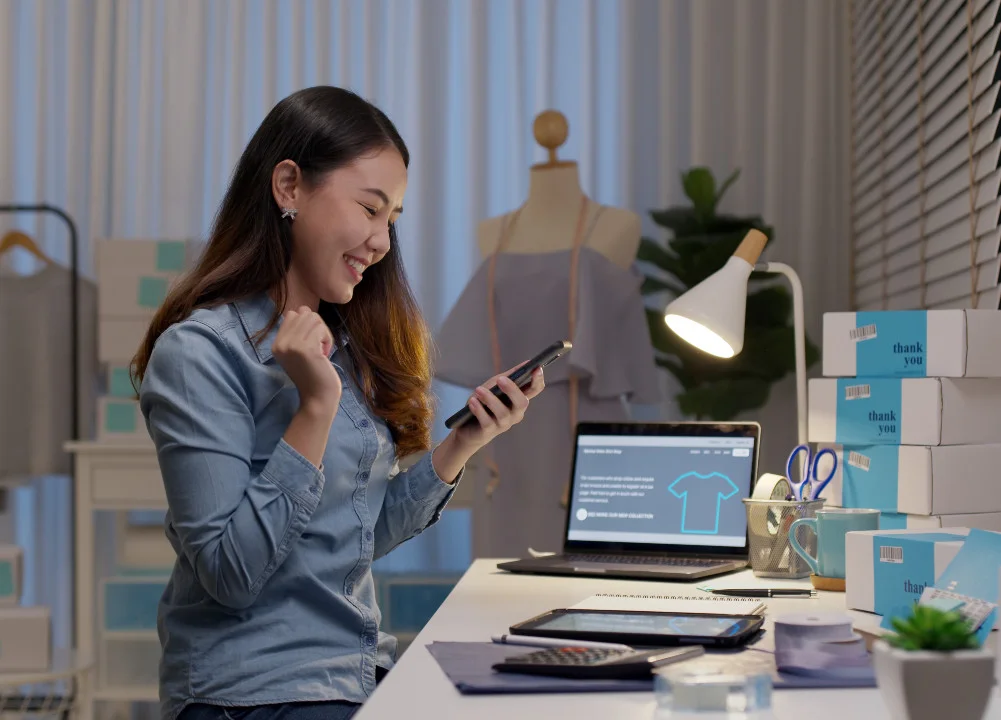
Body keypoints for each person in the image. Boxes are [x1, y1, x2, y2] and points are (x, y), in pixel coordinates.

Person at [131, 86, 546, 720]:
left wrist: (464, 442)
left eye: (394, 220)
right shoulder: (199, 355)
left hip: (352, 674)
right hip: (250, 694)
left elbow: (353, 537)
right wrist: (314, 407)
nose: (381, 241)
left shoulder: (344, 347)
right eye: (370, 208)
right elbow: (230, 574)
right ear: (289, 186)